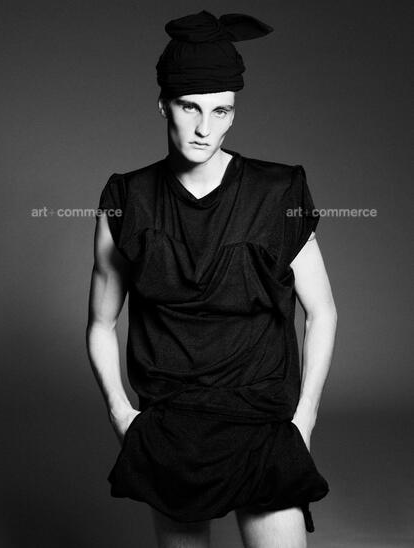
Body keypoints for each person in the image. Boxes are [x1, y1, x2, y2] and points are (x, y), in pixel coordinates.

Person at [86, 10, 337, 548]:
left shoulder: (277, 192)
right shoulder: (127, 200)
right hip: (171, 426)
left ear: (232, 113)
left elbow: (323, 311)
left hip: (263, 420)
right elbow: (101, 323)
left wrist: (305, 419)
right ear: (163, 104)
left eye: (221, 110)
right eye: (189, 107)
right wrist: (121, 414)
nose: (205, 128)